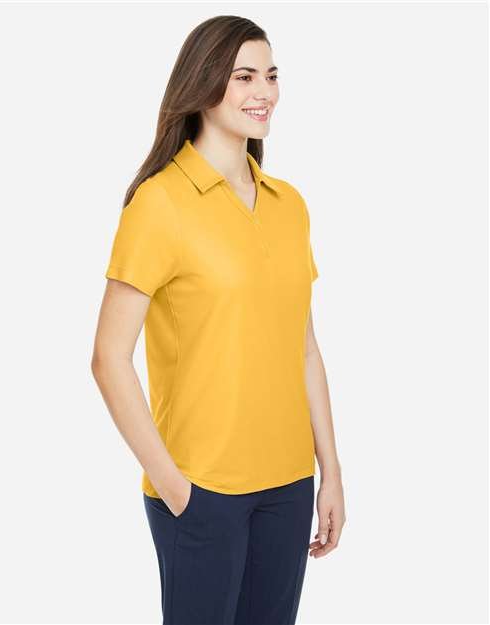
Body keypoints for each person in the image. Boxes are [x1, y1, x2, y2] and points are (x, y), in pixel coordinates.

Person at [91, 14, 346, 625]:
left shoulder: (289, 205)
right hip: (202, 491)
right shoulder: (159, 204)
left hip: (288, 486)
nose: (265, 92)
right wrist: (174, 486)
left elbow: (304, 348)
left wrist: (330, 471)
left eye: (271, 76)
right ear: (204, 84)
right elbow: (108, 358)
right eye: (244, 76)